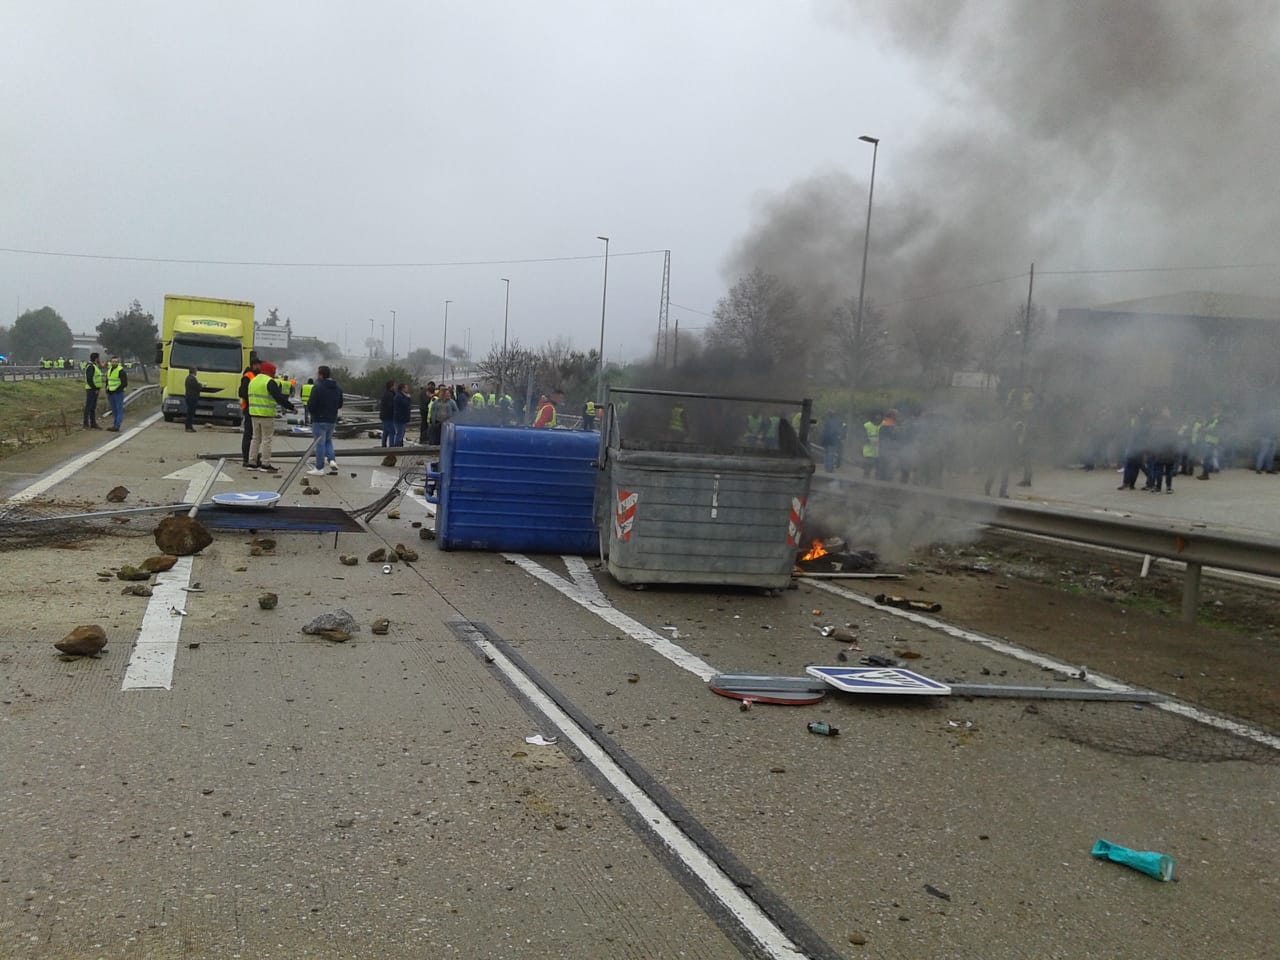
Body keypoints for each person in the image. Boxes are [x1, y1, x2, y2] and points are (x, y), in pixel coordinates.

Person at [246, 360, 294, 473]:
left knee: (255, 438)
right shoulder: (270, 382)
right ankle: (265, 464)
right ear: (270, 371)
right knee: (267, 439)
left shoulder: (253, 381)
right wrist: (291, 407)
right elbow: (278, 398)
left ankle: (252, 463)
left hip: (253, 413)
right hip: (266, 414)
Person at [306, 365, 344, 476]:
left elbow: (311, 404)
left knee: (319, 443)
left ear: (321, 375)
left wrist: (312, 413)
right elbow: (340, 404)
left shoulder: (317, 387)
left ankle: (319, 468)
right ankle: (332, 460)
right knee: (328, 440)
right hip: (332, 419)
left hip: (319, 419)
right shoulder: (337, 388)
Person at [237, 353, 262, 468]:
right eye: (257, 365)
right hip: (249, 409)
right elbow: (242, 392)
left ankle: (254, 458)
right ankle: (246, 458)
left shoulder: (257, 376)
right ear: (253, 365)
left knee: (256, 436)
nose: (259, 367)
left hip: (257, 409)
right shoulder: (248, 376)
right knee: (248, 435)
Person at [104, 356, 128, 431]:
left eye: (116, 362)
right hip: (110, 393)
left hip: (118, 393)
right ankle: (114, 425)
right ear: (111, 362)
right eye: (113, 361)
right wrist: (107, 389)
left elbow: (124, 383)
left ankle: (117, 426)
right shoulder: (109, 370)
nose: (114, 363)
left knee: (119, 410)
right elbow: (108, 381)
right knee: (114, 410)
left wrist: (117, 390)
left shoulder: (121, 371)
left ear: (118, 362)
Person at [83, 352, 103, 430]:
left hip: (94, 389)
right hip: (91, 389)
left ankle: (93, 423)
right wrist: (95, 389)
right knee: (89, 406)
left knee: (93, 407)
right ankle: (86, 423)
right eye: (98, 358)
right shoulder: (91, 367)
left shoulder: (94, 366)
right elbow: (89, 379)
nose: (99, 359)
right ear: (96, 358)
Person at [183, 367, 205, 432]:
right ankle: (188, 427)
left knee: (191, 413)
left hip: (190, 397)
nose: (196, 372)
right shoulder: (191, 379)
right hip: (191, 398)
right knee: (190, 413)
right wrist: (201, 385)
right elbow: (196, 387)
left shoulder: (189, 378)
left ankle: (190, 426)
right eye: (196, 371)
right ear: (193, 371)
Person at [391, 382, 412, 447]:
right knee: (400, 433)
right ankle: (397, 446)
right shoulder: (399, 396)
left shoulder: (401, 395)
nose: (407, 389)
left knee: (401, 433)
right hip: (399, 418)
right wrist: (408, 398)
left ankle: (400, 445)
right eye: (406, 388)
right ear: (402, 389)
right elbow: (405, 404)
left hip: (402, 418)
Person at [378, 380, 396, 447]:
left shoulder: (385, 394)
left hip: (384, 416)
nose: (395, 386)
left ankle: (383, 445)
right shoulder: (390, 395)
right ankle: (391, 446)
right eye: (394, 385)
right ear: (391, 386)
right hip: (389, 416)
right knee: (392, 431)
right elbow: (390, 406)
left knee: (385, 431)